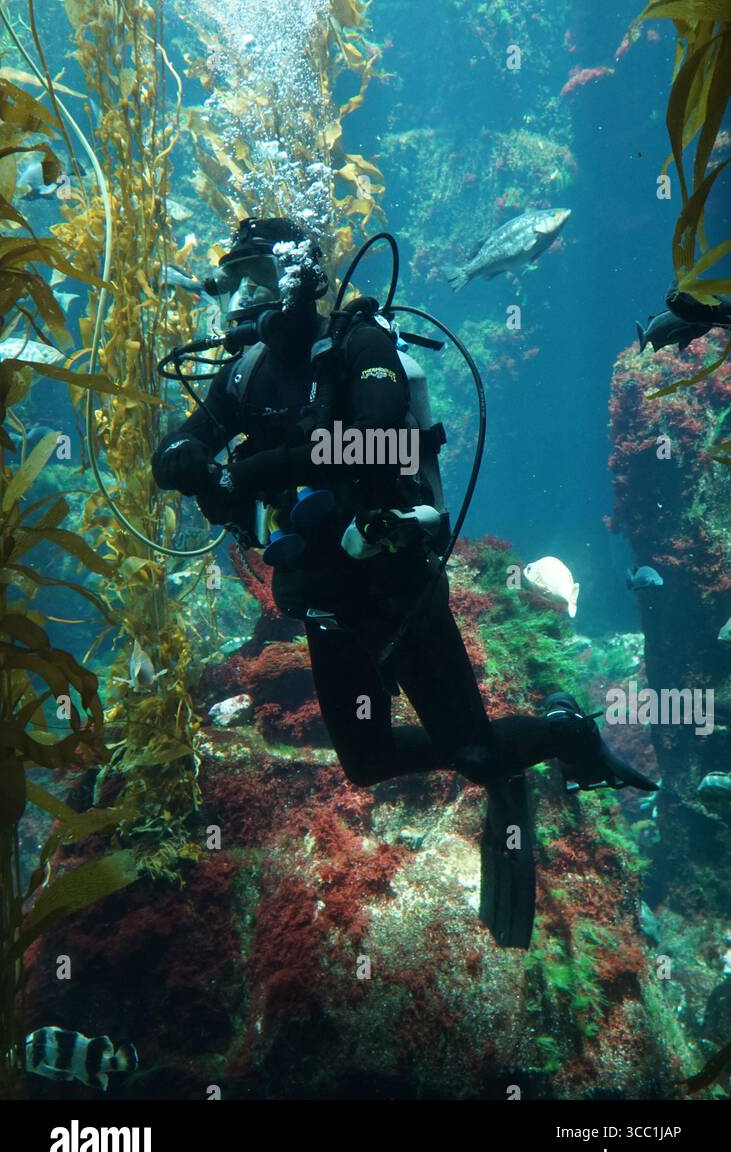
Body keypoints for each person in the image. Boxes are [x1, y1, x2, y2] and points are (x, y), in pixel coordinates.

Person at [153, 217, 657, 947]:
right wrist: (178, 456)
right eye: (233, 283)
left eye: (257, 280)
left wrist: (266, 468)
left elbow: (385, 436)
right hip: (325, 601)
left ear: (300, 282)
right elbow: (197, 433)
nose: (241, 301)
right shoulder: (245, 372)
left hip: (396, 590)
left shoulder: (359, 345)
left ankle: (561, 731)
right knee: (366, 761)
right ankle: (507, 745)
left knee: (476, 755)